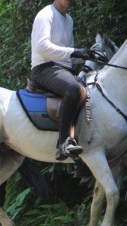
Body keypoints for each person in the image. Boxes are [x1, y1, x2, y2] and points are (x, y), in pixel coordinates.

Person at [31, 0, 93, 160]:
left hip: (63, 69)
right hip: (44, 68)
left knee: (91, 89)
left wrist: (87, 56)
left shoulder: (69, 19)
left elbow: (68, 57)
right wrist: (74, 52)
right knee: (74, 88)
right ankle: (63, 143)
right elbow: (42, 46)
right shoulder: (46, 14)